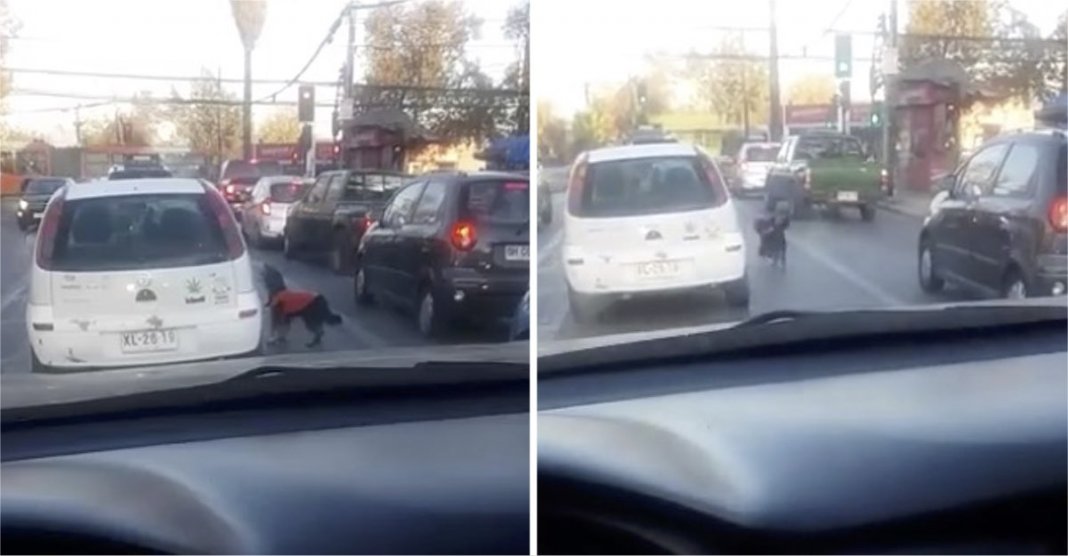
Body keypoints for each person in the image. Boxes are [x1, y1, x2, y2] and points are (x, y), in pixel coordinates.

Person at [261, 265, 342, 348]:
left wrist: (272, 336)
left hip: (313, 302)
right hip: (316, 299)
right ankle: (318, 332)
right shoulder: (281, 295)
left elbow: (277, 320)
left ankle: (317, 333)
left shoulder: (279, 299)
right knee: (310, 320)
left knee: (310, 322)